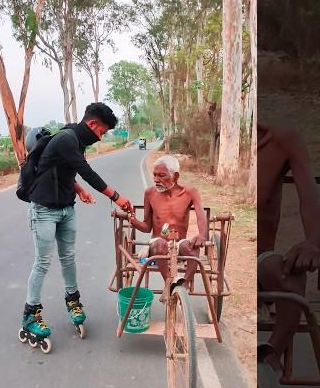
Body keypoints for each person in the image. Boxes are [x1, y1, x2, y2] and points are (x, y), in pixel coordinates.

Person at [22, 102, 132, 343]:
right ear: (92, 124)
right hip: (44, 209)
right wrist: (116, 197)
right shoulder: (67, 139)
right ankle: (30, 314)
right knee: (42, 262)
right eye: (102, 132)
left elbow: (65, 170)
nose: (101, 138)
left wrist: (79, 190)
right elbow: (86, 171)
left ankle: (73, 300)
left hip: (66, 209)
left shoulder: (76, 140)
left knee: (68, 257)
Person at [256, 123, 320, 377]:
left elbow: (309, 197)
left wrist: (313, 242)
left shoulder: (283, 138)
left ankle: (272, 354)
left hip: (260, 266)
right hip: (234, 262)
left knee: (290, 272)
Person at [127, 155, 208, 301]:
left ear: (175, 176)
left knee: (193, 249)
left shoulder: (190, 192)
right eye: (154, 175)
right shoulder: (150, 193)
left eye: (161, 175)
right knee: (159, 244)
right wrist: (133, 221)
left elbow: (201, 216)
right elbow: (146, 227)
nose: (156, 179)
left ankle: (184, 284)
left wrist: (202, 235)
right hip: (159, 241)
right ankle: (168, 283)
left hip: (180, 241)